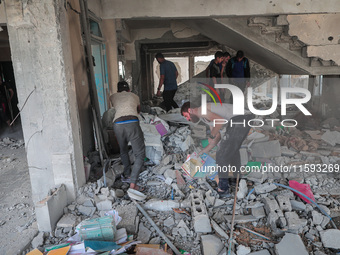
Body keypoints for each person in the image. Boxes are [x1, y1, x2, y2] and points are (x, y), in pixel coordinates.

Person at [181, 101, 254, 197]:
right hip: (242, 119)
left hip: (240, 119)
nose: (188, 119)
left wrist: (211, 135)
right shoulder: (205, 118)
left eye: (186, 116)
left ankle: (223, 188)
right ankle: (236, 180)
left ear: (190, 110)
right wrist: (202, 153)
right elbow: (215, 139)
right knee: (232, 151)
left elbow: (220, 121)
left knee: (221, 154)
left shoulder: (201, 110)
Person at [109, 81, 145, 191]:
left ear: (118, 90)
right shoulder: (134, 96)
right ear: (129, 89)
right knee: (139, 154)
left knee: (123, 149)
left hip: (118, 124)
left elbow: (115, 108)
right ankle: (133, 184)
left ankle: (127, 173)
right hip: (132, 122)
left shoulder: (113, 96)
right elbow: (138, 111)